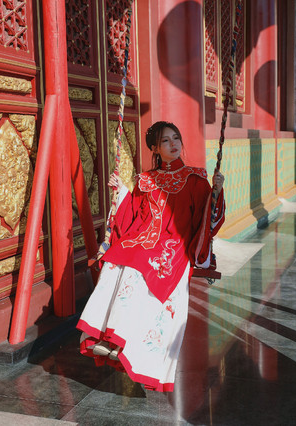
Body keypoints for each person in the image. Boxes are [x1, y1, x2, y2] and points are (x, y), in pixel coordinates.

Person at [76, 121, 225, 392]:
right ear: (155, 148)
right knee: (115, 261)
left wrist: (216, 193)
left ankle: (123, 341)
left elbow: (207, 218)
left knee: (137, 267)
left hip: (174, 245)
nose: (173, 144)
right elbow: (133, 215)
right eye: (165, 141)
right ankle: (104, 336)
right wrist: (122, 191)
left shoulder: (195, 179)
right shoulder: (145, 180)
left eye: (176, 138)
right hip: (143, 240)